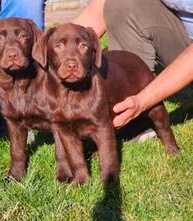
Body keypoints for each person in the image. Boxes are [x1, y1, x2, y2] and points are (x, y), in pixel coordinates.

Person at [73, 0, 193, 128]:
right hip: (182, 39)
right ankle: (128, 113)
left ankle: (144, 115)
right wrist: (58, 61)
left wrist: (142, 101)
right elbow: (96, 10)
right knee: (121, 4)